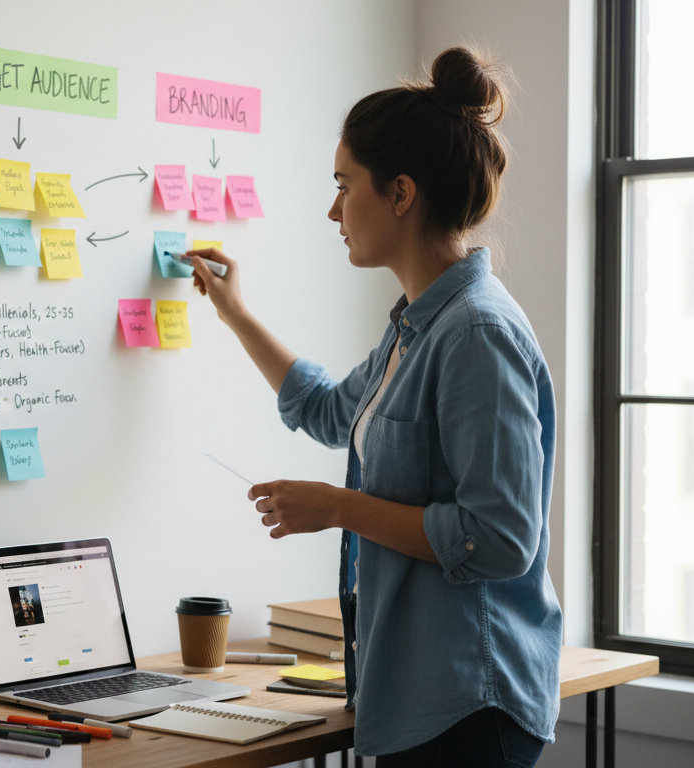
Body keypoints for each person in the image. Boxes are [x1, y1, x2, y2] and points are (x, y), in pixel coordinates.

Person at [189, 47, 562, 766]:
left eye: (343, 185)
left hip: (469, 707)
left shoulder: (476, 334)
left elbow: (502, 537)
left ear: (400, 193)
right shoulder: (418, 324)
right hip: (419, 699)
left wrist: (339, 507)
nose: (332, 210)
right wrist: (235, 313)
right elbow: (328, 411)